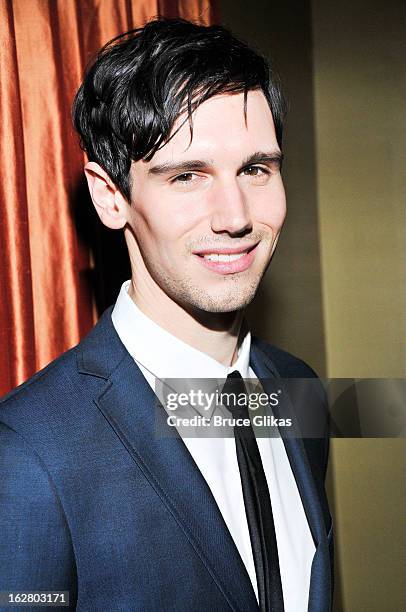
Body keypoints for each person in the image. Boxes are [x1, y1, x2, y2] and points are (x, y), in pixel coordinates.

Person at [0, 18, 333, 612]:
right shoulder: (28, 453)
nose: (234, 215)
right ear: (110, 196)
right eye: (187, 176)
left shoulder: (298, 388)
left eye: (256, 169)